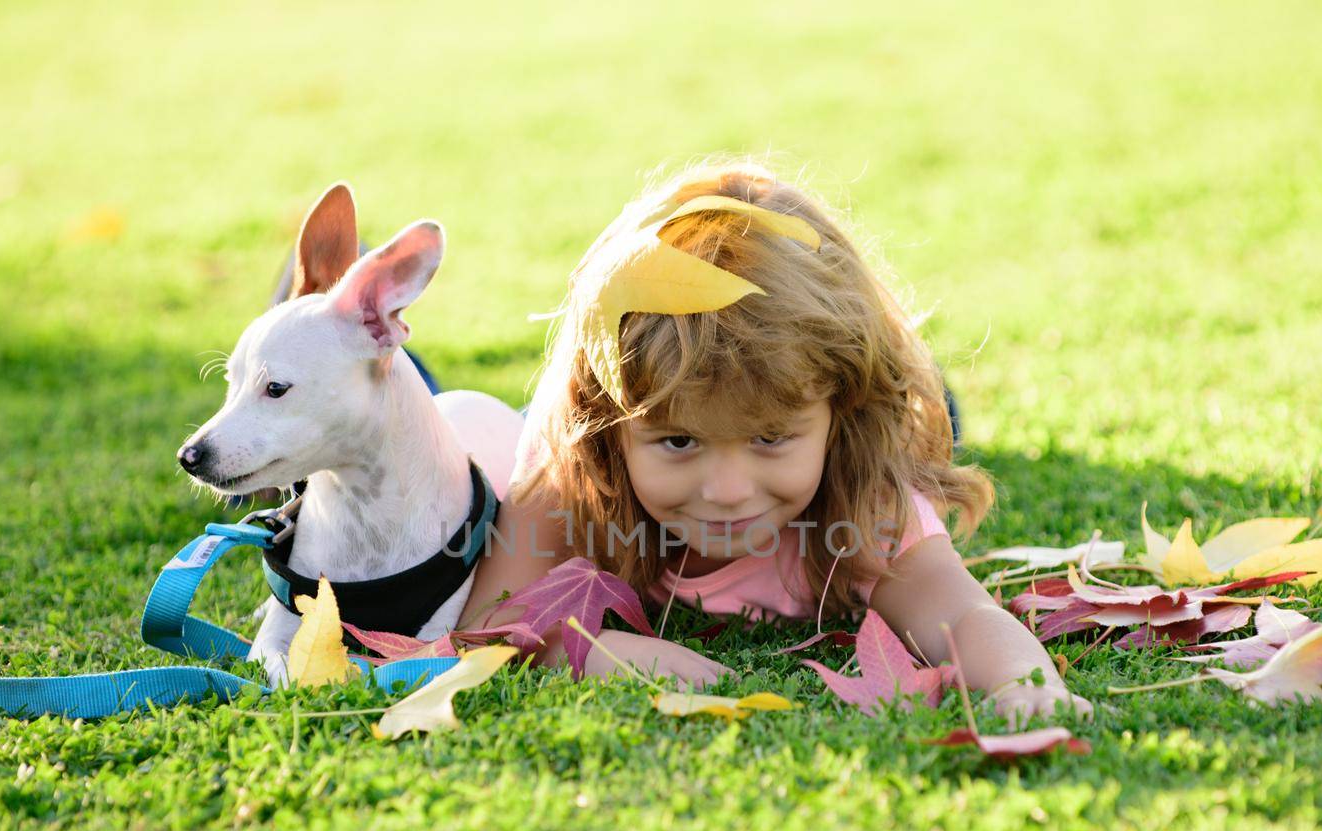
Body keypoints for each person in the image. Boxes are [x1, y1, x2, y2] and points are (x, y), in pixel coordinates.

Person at [464, 159, 1088, 724]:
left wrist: (1020, 682)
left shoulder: (864, 490)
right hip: (536, 415)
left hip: (880, 393)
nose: (728, 491)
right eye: (679, 442)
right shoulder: (576, 463)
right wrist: (590, 650)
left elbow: (960, 611)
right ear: (611, 427)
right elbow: (490, 623)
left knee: (932, 405)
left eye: (769, 438)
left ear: (841, 415)